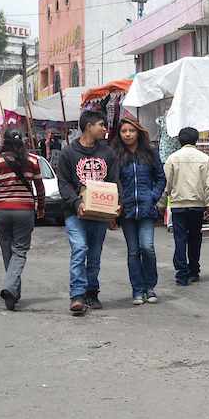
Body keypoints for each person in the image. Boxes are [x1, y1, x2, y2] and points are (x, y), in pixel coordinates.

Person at [57, 111, 120, 316]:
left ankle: (92, 292)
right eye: (101, 125)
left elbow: (114, 182)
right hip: (75, 213)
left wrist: (115, 209)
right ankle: (77, 295)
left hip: (100, 213)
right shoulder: (68, 153)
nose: (105, 129)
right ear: (88, 126)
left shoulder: (108, 153)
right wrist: (76, 203)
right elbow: (64, 184)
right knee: (80, 249)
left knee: (94, 255)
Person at [0, 128, 45, 312]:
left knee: (8, 251)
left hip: (1, 211)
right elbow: (39, 187)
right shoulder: (33, 160)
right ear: (22, 141)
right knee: (20, 251)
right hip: (24, 211)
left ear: (4, 141)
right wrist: (40, 207)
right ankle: (10, 288)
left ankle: (12, 294)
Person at [114, 117, 166, 304]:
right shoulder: (116, 155)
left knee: (147, 248)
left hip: (146, 208)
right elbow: (113, 181)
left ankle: (150, 287)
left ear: (138, 132)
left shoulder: (150, 153)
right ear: (119, 134)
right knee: (133, 251)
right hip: (126, 210)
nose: (127, 134)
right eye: (124, 131)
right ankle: (137, 290)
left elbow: (161, 178)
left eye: (131, 130)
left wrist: (153, 196)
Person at [162, 127, 209, 288]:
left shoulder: (172, 158)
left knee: (180, 239)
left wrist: (162, 202)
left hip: (178, 205)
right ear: (196, 140)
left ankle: (181, 274)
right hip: (197, 205)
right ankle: (194, 270)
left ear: (179, 140)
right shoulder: (204, 158)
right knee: (195, 238)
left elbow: (166, 183)